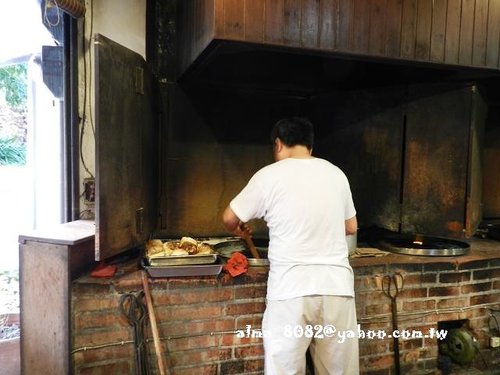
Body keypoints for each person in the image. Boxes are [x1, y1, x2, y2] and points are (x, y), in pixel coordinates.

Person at [222, 117, 359, 375]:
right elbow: (351, 227)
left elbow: (230, 218)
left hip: (291, 292)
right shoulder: (336, 173)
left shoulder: (268, 175)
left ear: (278, 144)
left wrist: (238, 228)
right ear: (310, 145)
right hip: (337, 289)